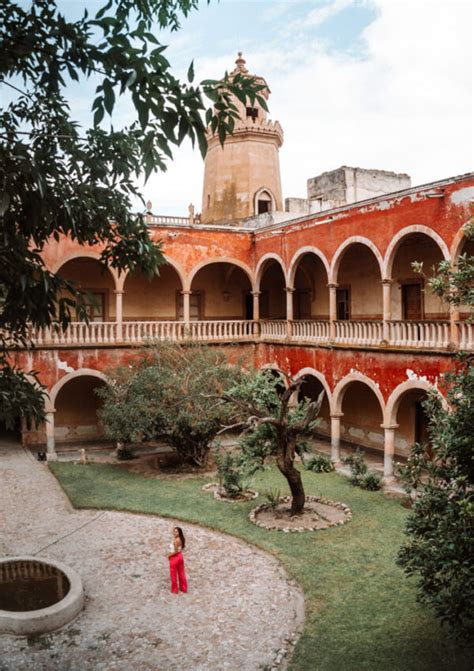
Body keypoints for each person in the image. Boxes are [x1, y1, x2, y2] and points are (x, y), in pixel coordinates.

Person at [168, 526, 187, 594]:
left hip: (175, 557)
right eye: (174, 531)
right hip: (180, 556)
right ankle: (184, 588)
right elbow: (179, 549)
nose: (174, 533)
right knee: (181, 573)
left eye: (176, 531)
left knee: (173, 574)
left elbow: (175, 551)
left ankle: (174, 589)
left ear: (179, 533)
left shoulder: (176, 541)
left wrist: (169, 556)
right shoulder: (180, 539)